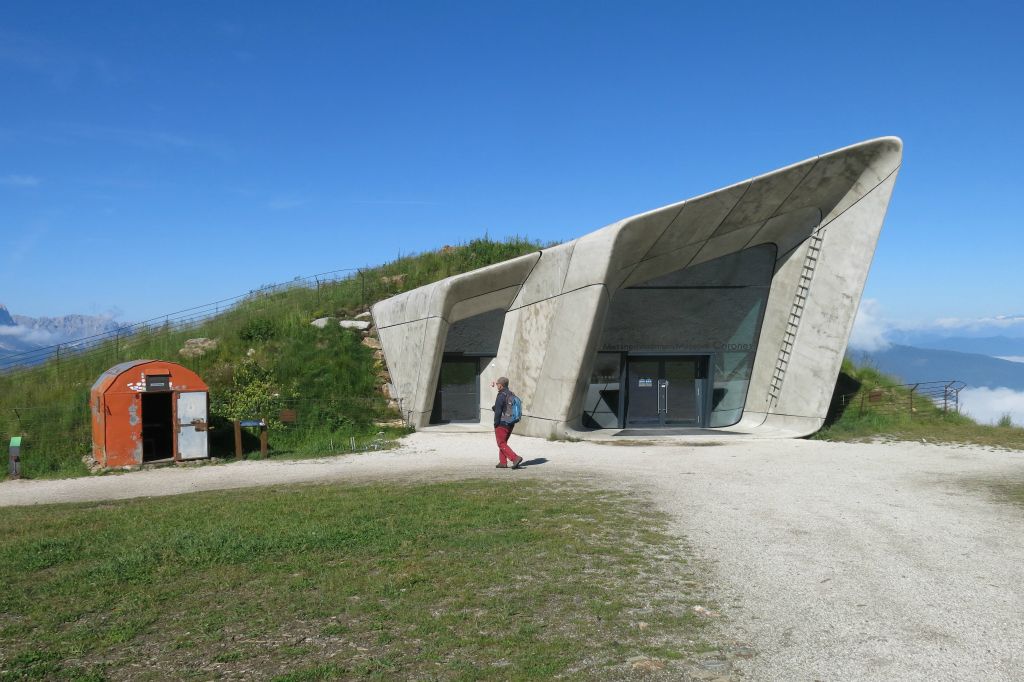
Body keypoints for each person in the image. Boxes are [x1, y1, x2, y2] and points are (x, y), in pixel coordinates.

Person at [492, 376, 524, 469]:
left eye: (497, 384)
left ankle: (515, 458)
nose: (497, 385)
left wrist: (495, 423)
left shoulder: (501, 395)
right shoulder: (511, 394)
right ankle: (502, 462)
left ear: (501, 386)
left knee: (501, 443)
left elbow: (498, 411)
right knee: (503, 442)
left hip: (502, 422)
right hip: (511, 422)